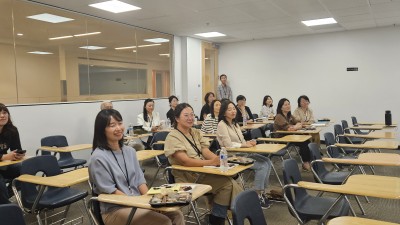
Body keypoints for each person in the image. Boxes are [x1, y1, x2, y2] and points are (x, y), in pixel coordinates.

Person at [88, 109, 184, 225]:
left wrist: (151, 201)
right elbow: (111, 192)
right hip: (115, 209)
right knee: (163, 222)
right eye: (112, 125)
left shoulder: (130, 151)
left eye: (120, 123)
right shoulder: (98, 158)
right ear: (102, 130)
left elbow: (140, 181)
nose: (118, 128)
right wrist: (140, 203)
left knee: (176, 214)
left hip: (138, 203)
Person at [164, 103, 242, 225]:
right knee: (228, 184)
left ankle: (217, 217)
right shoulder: (172, 137)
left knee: (234, 180)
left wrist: (220, 161)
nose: (190, 118)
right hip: (187, 176)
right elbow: (185, 161)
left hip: (203, 171)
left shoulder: (195, 132)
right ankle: (218, 218)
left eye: (192, 115)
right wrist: (211, 162)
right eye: (186, 115)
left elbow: (205, 151)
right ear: (177, 118)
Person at [216, 100, 272, 209]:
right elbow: (227, 144)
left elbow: (241, 141)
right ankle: (257, 195)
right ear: (223, 112)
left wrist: (248, 143)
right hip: (232, 156)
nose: (233, 111)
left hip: (243, 153)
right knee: (262, 166)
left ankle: (261, 192)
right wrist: (243, 145)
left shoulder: (234, 123)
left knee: (268, 161)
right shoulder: (222, 125)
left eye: (233, 109)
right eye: (229, 109)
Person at [274, 98, 311, 171]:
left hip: (290, 137)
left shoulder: (289, 115)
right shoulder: (279, 116)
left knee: (306, 140)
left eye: (288, 104)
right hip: (282, 139)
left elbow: (298, 122)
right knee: (303, 142)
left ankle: (308, 161)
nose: (288, 106)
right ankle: (306, 163)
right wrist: (295, 127)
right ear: (281, 107)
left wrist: (296, 126)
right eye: (285, 105)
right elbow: (290, 129)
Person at [0, 103, 25, 204]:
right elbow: (6, 156)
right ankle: (5, 206)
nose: (2, 115)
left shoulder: (12, 130)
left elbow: (17, 148)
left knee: (27, 169)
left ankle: (6, 198)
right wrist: (5, 156)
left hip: (4, 165)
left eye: (5, 112)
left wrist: (18, 155)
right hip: (3, 162)